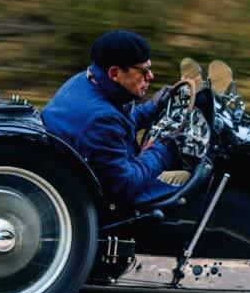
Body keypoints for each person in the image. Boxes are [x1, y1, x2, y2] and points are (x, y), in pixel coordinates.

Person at [41, 30, 185, 206]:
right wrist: (163, 152)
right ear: (115, 73)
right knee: (193, 185)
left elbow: (117, 124)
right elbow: (125, 185)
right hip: (115, 202)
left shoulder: (83, 81)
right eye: (144, 71)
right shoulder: (101, 120)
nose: (150, 76)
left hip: (82, 181)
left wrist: (151, 108)